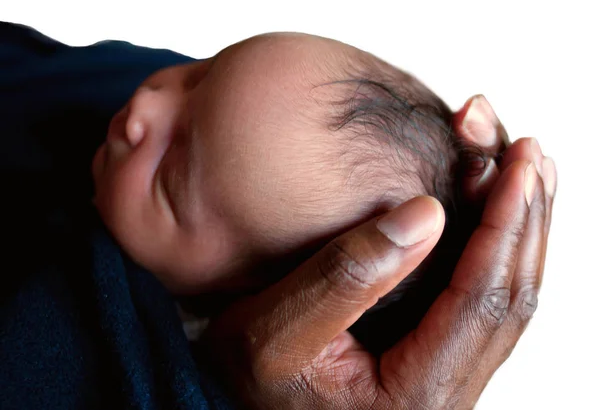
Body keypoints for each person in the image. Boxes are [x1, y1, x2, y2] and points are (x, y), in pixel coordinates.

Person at [0, 22, 555, 409]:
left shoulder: (90, 349)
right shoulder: (154, 127)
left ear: (230, 303)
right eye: (199, 73)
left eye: (168, 177)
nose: (141, 107)